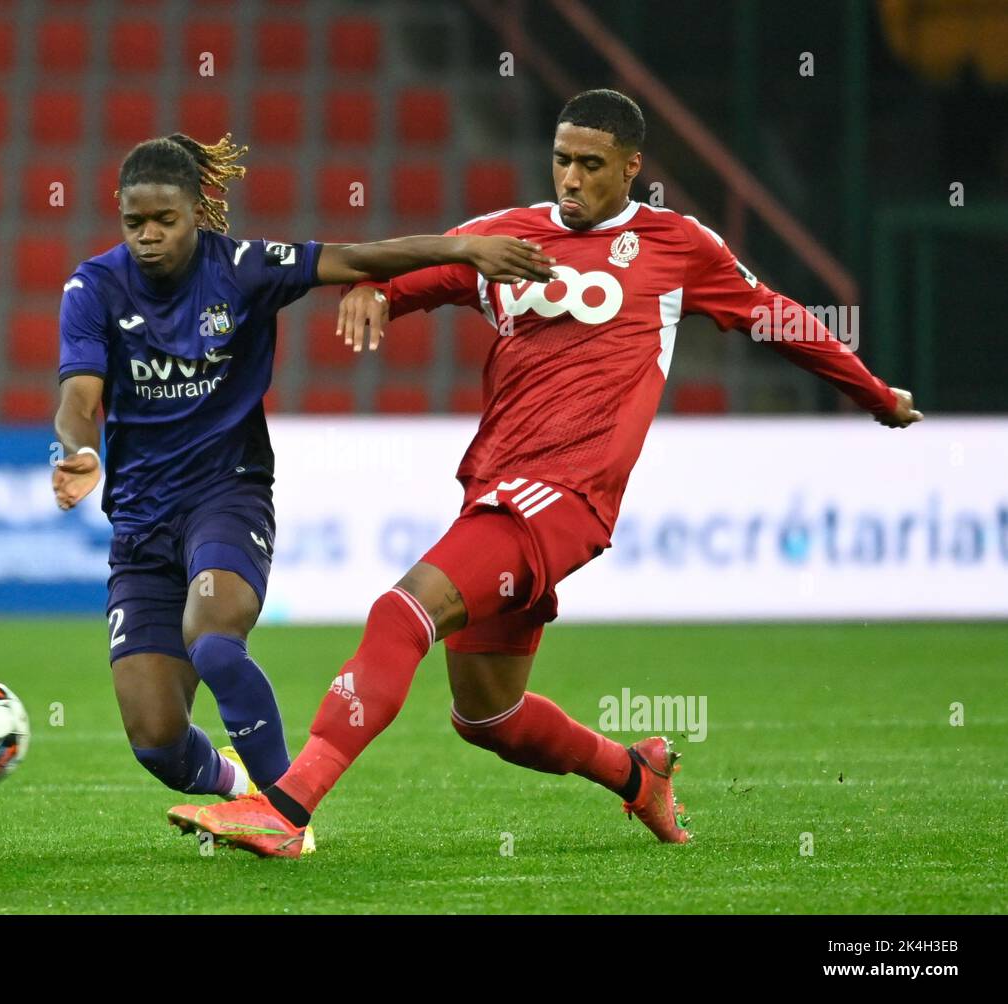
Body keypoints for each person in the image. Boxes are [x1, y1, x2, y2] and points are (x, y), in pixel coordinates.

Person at [165, 92, 923, 858]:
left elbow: (776, 315)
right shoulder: (505, 236)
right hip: (495, 486)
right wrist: (371, 291)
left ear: (632, 168)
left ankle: (287, 808)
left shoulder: (678, 246)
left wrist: (873, 392)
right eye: (562, 159)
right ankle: (637, 775)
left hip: (567, 495)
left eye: (592, 165)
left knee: (401, 614)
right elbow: (409, 275)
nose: (571, 177)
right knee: (487, 715)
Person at [51, 132, 556, 830]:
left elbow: (356, 257)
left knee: (215, 640)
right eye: (134, 222)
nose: (148, 236)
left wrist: (462, 248)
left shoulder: (244, 270)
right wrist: (75, 451)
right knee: (157, 742)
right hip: (139, 523)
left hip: (227, 495)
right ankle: (235, 786)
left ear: (198, 210)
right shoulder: (94, 287)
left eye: (164, 220)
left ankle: (287, 809)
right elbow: (79, 397)